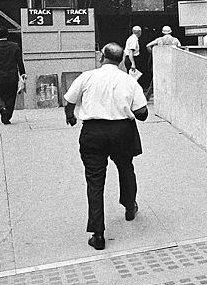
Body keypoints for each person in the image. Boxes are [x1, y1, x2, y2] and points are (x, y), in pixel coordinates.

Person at [63, 42, 148, 251]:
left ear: (102, 57)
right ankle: (130, 206)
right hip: (122, 133)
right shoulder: (129, 81)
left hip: (93, 132)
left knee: (94, 181)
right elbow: (143, 113)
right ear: (120, 60)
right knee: (126, 169)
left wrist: (71, 118)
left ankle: (98, 234)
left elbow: (69, 101)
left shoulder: (87, 76)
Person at [0, 26, 27, 124]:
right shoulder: (15, 46)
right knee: (11, 96)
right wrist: (23, 73)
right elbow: (19, 61)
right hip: (12, 76)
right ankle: (7, 117)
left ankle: (2, 107)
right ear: (7, 35)